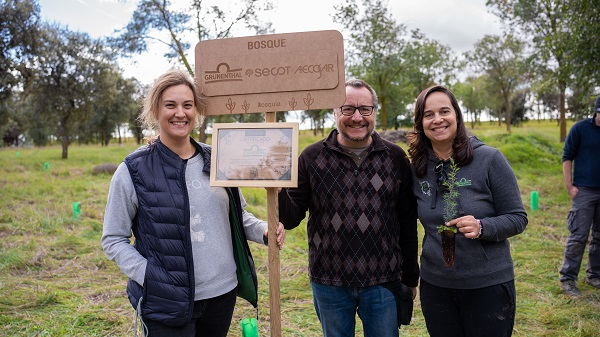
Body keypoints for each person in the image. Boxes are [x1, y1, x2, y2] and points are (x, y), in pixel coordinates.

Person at [101, 69, 285, 337]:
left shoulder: (218, 159)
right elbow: (113, 239)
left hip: (222, 294)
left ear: (196, 111)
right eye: (170, 105)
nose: (180, 113)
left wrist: (264, 230)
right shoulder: (133, 169)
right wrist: (150, 277)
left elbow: (238, 215)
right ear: (155, 110)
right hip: (167, 300)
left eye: (187, 105)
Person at [278, 79, 419, 337]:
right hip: (328, 281)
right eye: (347, 109)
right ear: (334, 112)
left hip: (383, 281)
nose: (357, 117)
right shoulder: (311, 157)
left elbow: (407, 222)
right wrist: (275, 186)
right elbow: (290, 218)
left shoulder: (395, 158)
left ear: (374, 112)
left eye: (365, 109)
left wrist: (410, 277)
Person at [407, 85, 528, 337]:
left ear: (457, 116)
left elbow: (518, 218)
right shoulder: (417, 169)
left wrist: (482, 227)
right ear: (420, 122)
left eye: (444, 111)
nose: (437, 119)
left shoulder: (489, 159)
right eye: (428, 114)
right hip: (435, 285)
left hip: (487, 284)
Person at [558, 95, 600, 297]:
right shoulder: (580, 129)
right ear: (597, 111)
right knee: (579, 236)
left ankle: (594, 275)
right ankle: (567, 278)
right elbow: (567, 157)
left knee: (599, 237)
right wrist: (570, 186)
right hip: (584, 191)